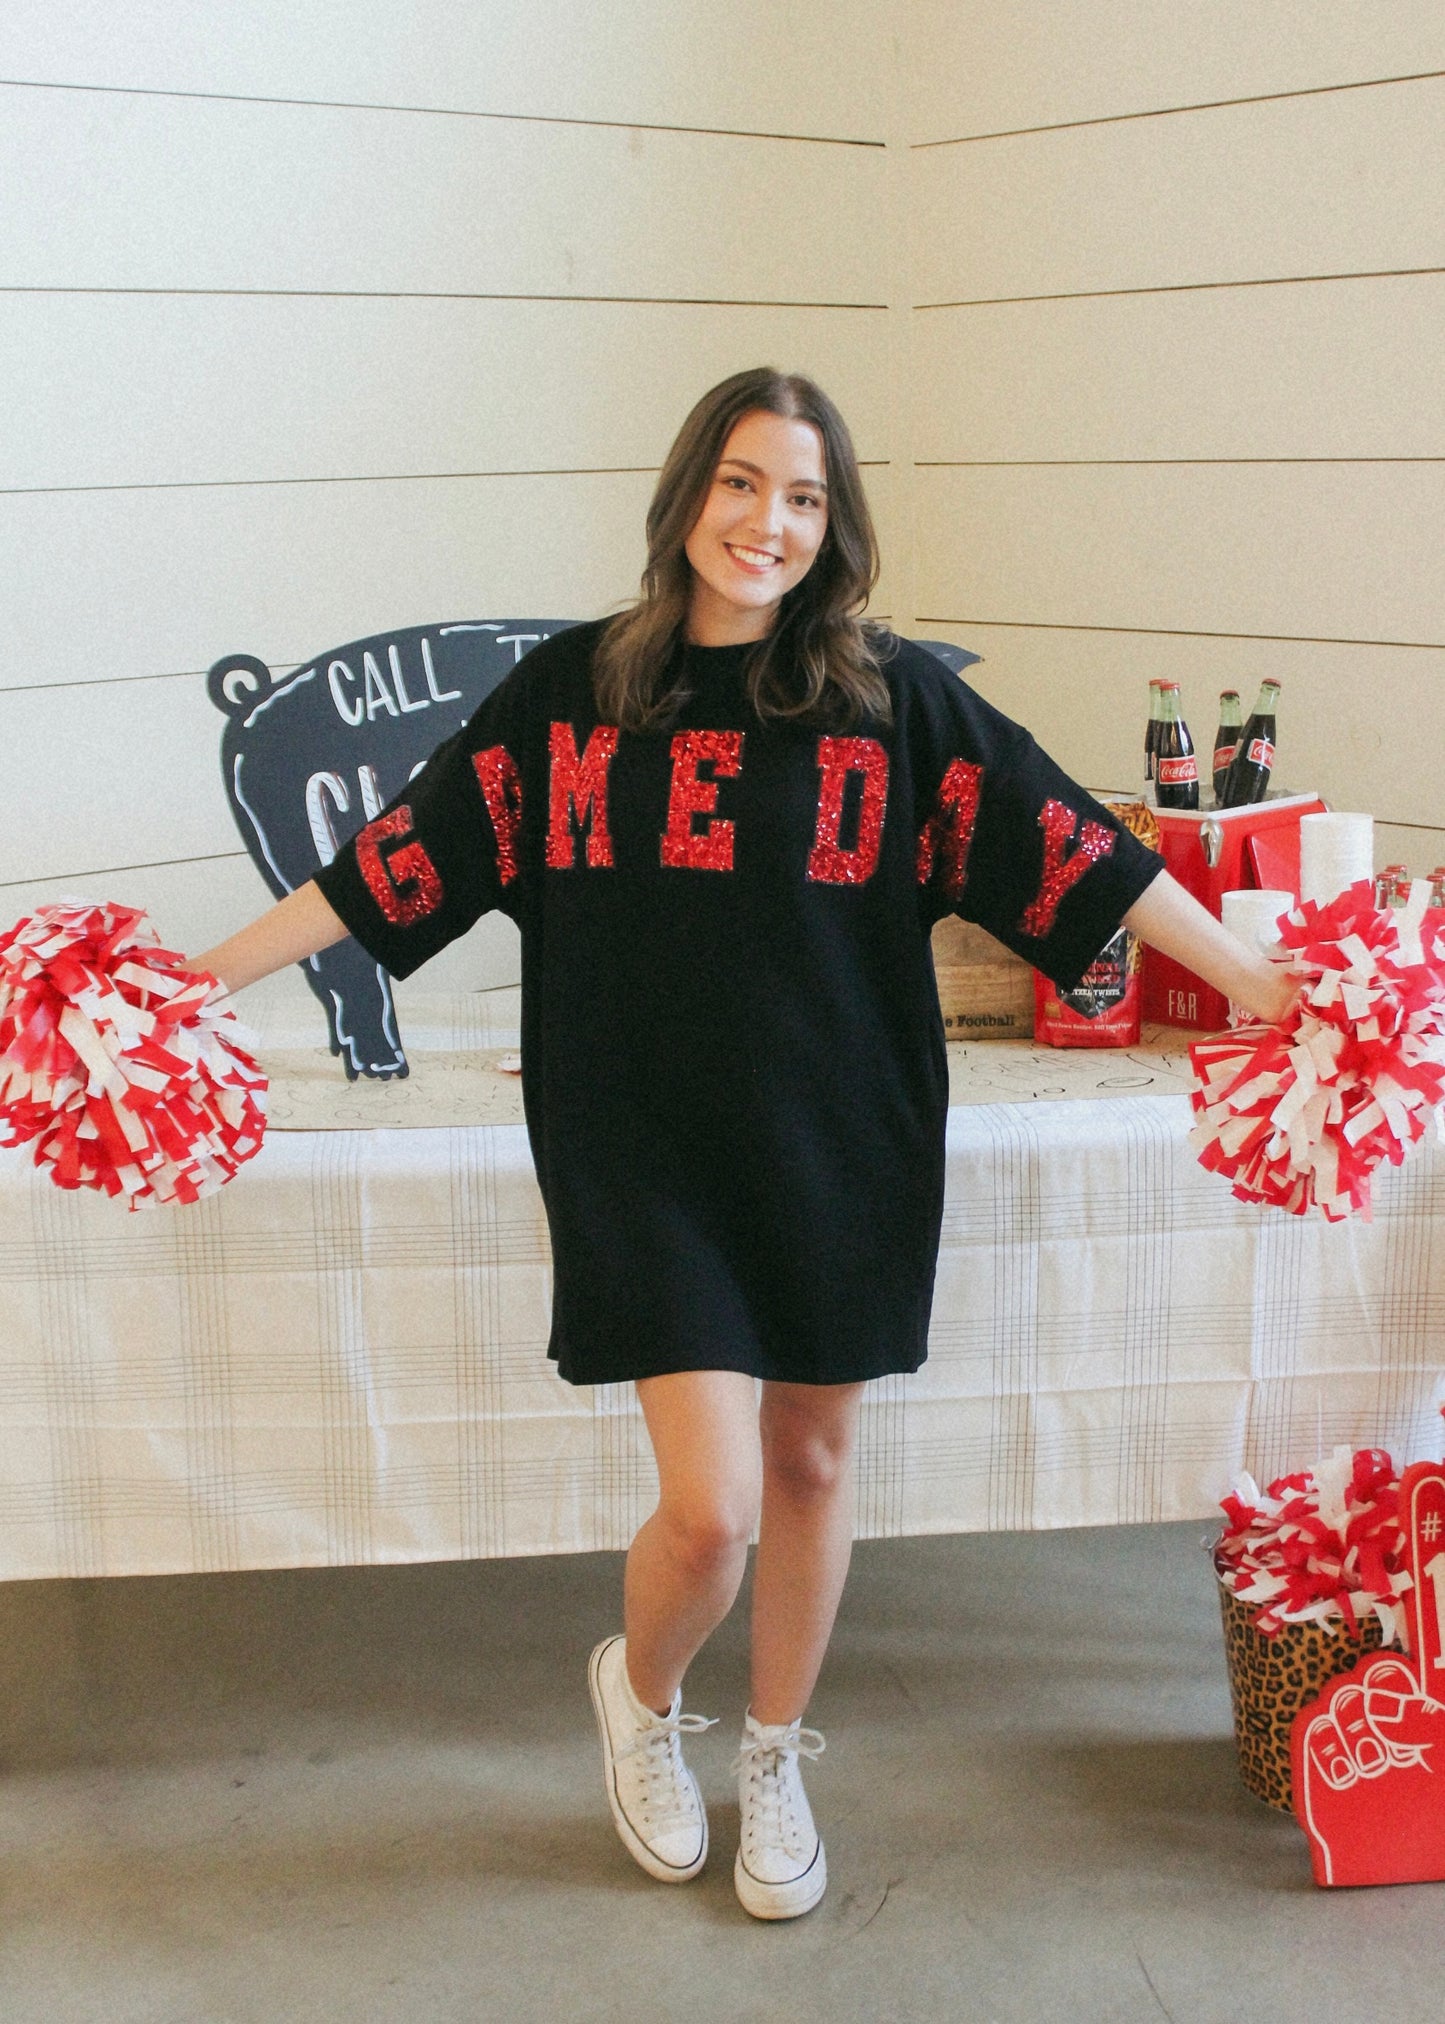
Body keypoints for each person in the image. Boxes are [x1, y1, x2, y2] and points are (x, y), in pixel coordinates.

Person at [194, 367, 1295, 1921]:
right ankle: (643, 1700)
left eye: (801, 494)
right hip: (635, 1133)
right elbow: (389, 870)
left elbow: (1079, 848)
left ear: (831, 524)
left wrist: (1258, 984)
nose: (764, 521)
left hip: (837, 1130)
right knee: (708, 1508)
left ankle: (773, 1751)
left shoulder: (891, 698)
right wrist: (190, 980)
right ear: (684, 496)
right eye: (737, 481)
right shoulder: (574, 693)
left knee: (812, 1456)